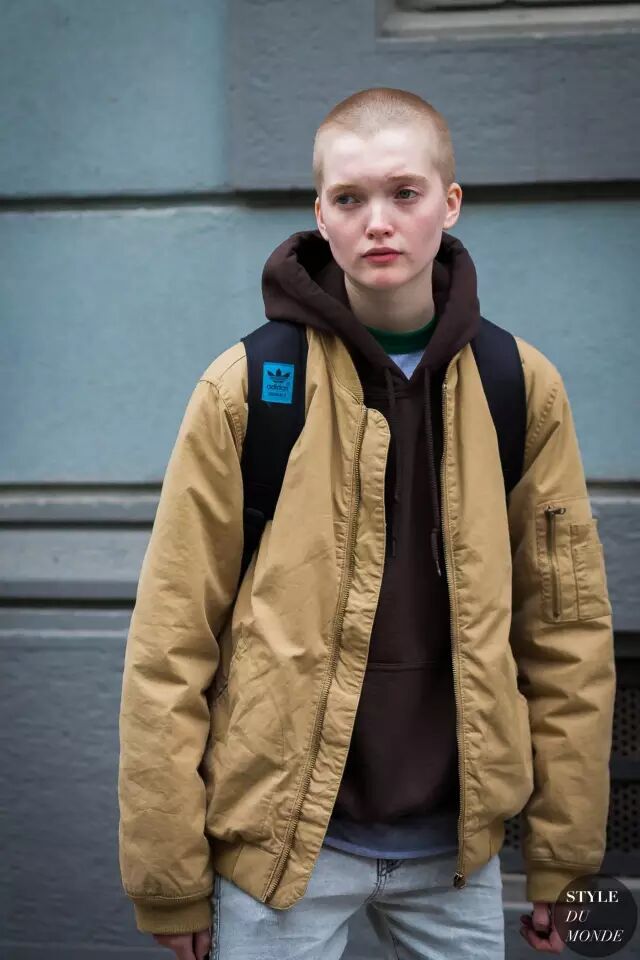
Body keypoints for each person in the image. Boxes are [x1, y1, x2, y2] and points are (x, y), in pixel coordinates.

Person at [117, 87, 616, 959]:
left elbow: (566, 634)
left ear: (449, 204)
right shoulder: (247, 387)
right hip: (282, 854)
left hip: (455, 852)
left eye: (404, 193)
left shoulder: (518, 385)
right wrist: (169, 876)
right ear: (320, 215)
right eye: (349, 198)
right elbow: (170, 640)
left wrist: (564, 859)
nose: (377, 221)